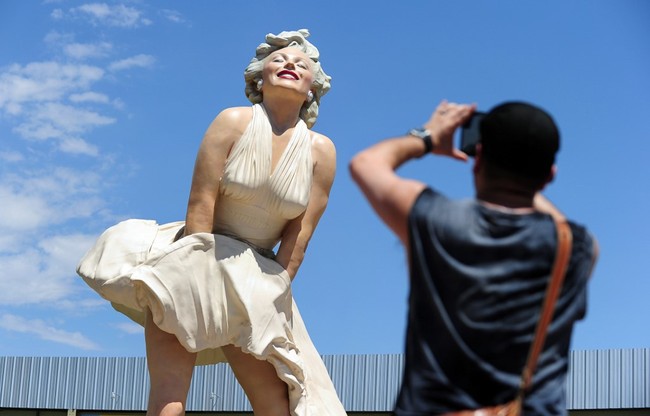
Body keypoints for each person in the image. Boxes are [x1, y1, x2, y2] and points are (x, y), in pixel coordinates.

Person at [77, 29, 347, 416]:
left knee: (277, 404)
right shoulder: (232, 121)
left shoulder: (322, 151)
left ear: (313, 88)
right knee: (169, 399)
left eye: (302, 64)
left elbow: (299, 237)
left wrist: (273, 292)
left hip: (256, 278)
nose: (290, 64)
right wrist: (196, 276)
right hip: (193, 258)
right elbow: (200, 203)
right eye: (280, 59)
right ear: (258, 77)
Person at [349, 100, 598, 415]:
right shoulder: (575, 248)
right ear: (549, 176)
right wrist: (525, 170)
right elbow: (557, 222)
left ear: (477, 160)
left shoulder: (436, 220)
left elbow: (366, 163)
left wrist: (427, 136)